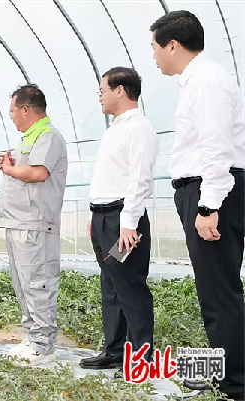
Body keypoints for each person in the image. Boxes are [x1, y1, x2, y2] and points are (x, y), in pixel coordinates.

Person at [150, 10, 245, 400]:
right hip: (208, 189)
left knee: (220, 291)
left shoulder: (206, 81)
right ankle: (227, 375)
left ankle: (234, 384)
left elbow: (215, 147)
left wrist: (208, 207)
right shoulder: (199, 80)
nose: (154, 56)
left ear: (173, 45)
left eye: (155, 47)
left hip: (212, 191)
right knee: (216, 289)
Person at [78, 67, 158, 372]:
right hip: (104, 219)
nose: (99, 97)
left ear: (120, 90)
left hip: (123, 221)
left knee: (130, 286)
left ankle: (141, 358)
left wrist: (128, 225)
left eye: (102, 91)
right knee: (110, 286)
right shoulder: (114, 129)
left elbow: (139, 179)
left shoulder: (138, 128)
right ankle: (115, 351)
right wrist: (95, 216)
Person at [0, 84, 68, 366]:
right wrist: (8, 163)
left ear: (25, 109)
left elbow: (38, 173)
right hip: (18, 220)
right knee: (23, 284)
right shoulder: (29, 138)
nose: (11, 116)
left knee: (39, 283)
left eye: (12, 111)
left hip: (35, 223)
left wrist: (10, 169)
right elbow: (23, 169)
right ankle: (32, 336)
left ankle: (43, 347)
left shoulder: (48, 136)